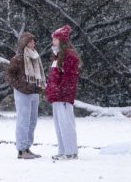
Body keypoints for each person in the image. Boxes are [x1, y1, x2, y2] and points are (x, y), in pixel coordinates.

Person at [4, 32, 46, 159]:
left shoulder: (35, 56)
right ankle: (21, 150)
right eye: (31, 41)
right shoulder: (17, 58)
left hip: (34, 92)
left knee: (32, 121)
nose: (34, 44)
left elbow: (38, 75)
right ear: (24, 43)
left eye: (34, 41)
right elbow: (8, 75)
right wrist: (21, 86)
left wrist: (39, 87)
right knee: (23, 120)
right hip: (22, 93)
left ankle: (27, 147)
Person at [45, 24, 81, 161]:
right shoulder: (57, 56)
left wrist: (61, 91)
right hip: (56, 97)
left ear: (61, 40)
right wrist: (51, 90)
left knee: (66, 124)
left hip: (63, 97)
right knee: (59, 125)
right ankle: (63, 150)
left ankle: (71, 151)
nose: (53, 41)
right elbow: (54, 77)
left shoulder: (70, 56)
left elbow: (69, 79)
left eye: (55, 39)